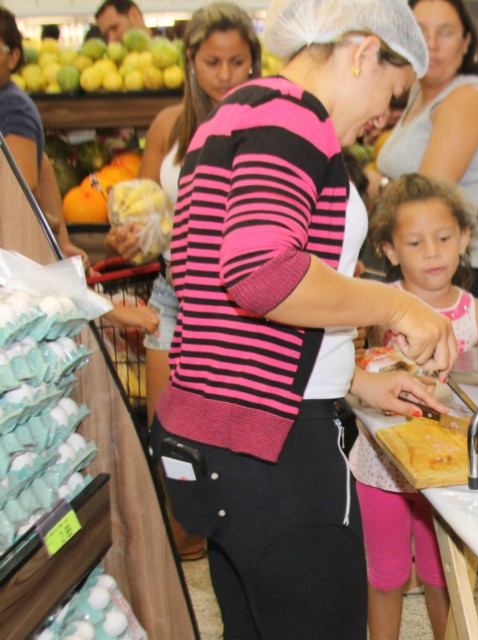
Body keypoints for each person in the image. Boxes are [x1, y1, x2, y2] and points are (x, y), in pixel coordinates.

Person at [149, 0, 458, 637]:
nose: (383, 119)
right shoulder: (295, 120)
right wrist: (398, 304)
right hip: (276, 454)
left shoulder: (232, 113)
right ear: (363, 52)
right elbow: (260, 273)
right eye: (391, 93)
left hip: (214, 437)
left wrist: (351, 380)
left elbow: (214, 296)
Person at [105, 2, 261, 562]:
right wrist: (128, 238)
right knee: (170, 438)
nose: (224, 73)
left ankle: (233, 550)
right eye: (212, 61)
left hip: (240, 304)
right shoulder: (169, 128)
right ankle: (186, 553)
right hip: (174, 296)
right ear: (191, 61)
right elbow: (140, 214)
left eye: (236, 61)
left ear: (253, 62)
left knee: (231, 445)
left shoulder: (266, 127)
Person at [350, 173, 478, 640]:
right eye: (415, 243)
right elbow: (350, 372)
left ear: (463, 238)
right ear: (391, 251)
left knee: (446, 580)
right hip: (382, 467)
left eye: (442, 238)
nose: (432, 252)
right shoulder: (377, 304)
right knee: (385, 578)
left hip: (452, 471)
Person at [375, 0, 478, 307]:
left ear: (466, 42)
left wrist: (377, 185)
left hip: (458, 273)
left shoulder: (467, 99)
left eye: (445, 33)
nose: (432, 45)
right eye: (420, 32)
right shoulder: (418, 92)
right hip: (419, 268)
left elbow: (427, 198)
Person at [0, 9, 93, 272]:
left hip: (13, 259)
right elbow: (42, 167)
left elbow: (22, 188)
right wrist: (61, 239)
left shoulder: (11, 108)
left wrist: (55, 233)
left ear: (14, 56)